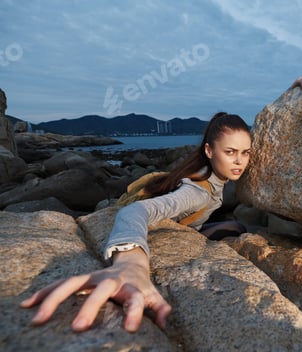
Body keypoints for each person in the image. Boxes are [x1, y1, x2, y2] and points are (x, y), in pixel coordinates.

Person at [20, 112, 253, 333]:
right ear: (209, 151)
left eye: (246, 152)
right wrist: (131, 263)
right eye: (230, 152)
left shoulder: (209, 174)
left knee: (237, 227)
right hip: (137, 221)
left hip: (184, 225)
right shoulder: (198, 193)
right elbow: (136, 210)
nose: (239, 161)